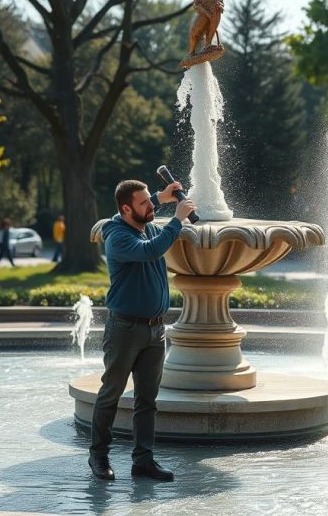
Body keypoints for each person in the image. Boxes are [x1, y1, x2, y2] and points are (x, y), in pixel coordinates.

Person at [88, 179, 195, 482]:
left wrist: (161, 198)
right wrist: (177, 218)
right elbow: (151, 251)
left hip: (154, 331)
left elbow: (149, 223)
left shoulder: (144, 224)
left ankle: (143, 462)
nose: (151, 206)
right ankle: (98, 456)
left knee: (147, 400)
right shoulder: (118, 237)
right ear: (125, 209)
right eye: (144, 202)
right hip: (125, 329)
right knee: (111, 393)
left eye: (150, 200)